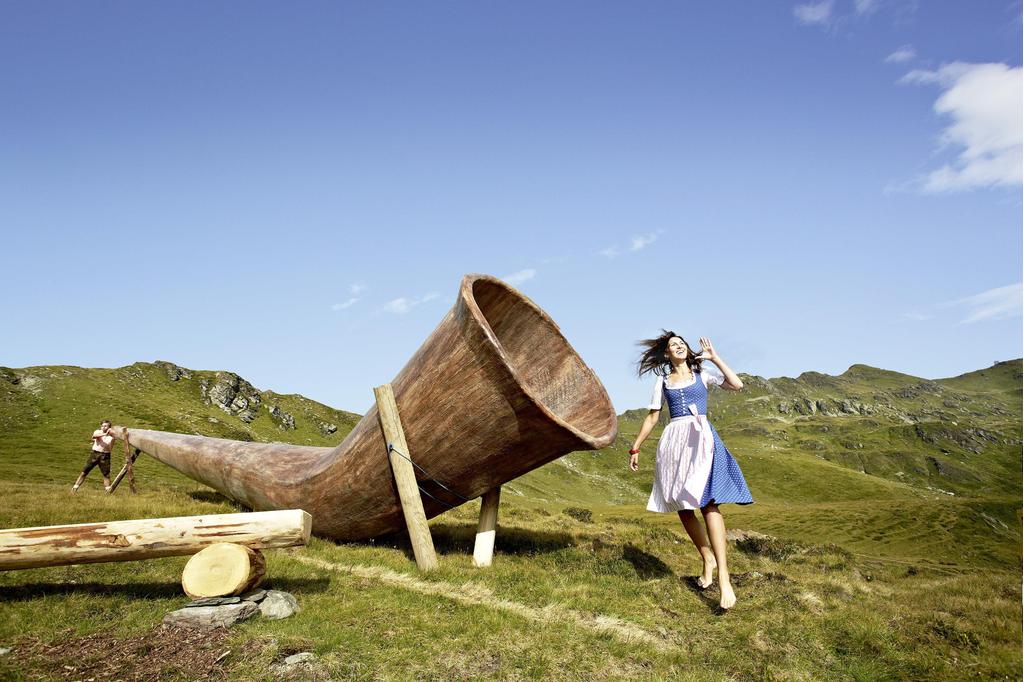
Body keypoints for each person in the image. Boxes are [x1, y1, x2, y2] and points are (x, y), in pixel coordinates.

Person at [629, 331, 753, 610]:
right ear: (666, 354)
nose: (679, 347)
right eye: (674, 345)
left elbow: (737, 384)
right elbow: (652, 416)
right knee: (684, 508)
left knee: (709, 504)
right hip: (675, 443)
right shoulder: (662, 381)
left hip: (703, 440)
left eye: (682, 344)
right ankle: (706, 557)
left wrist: (715, 358)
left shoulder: (703, 373)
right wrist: (636, 446)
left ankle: (724, 577)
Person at [73, 419, 116, 492]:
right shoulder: (97, 432)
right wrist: (105, 434)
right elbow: (94, 436)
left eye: (105, 426)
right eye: (102, 426)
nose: (103, 427)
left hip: (105, 455)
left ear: (109, 427)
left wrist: (111, 433)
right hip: (94, 454)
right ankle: (74, 489)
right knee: (84, 471)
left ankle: (108, 492)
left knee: (106, 475)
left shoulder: (112, 436)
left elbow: (111, 446)